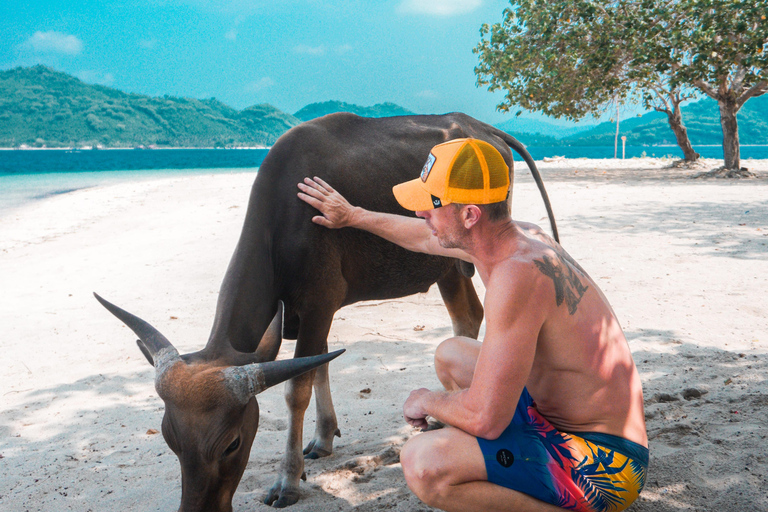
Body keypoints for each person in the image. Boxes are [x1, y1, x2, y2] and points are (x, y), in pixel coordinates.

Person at [297, 138, 648, 512]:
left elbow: (485, 418)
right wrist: (353, 215)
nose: (421, 213)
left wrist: (427, 400)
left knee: (422, 462)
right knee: (452, 354)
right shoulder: (515, 237)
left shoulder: (517, 275)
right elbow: (420, 236)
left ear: (469, 215)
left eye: (432, 203)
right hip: (561, 420)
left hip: (606, 468)